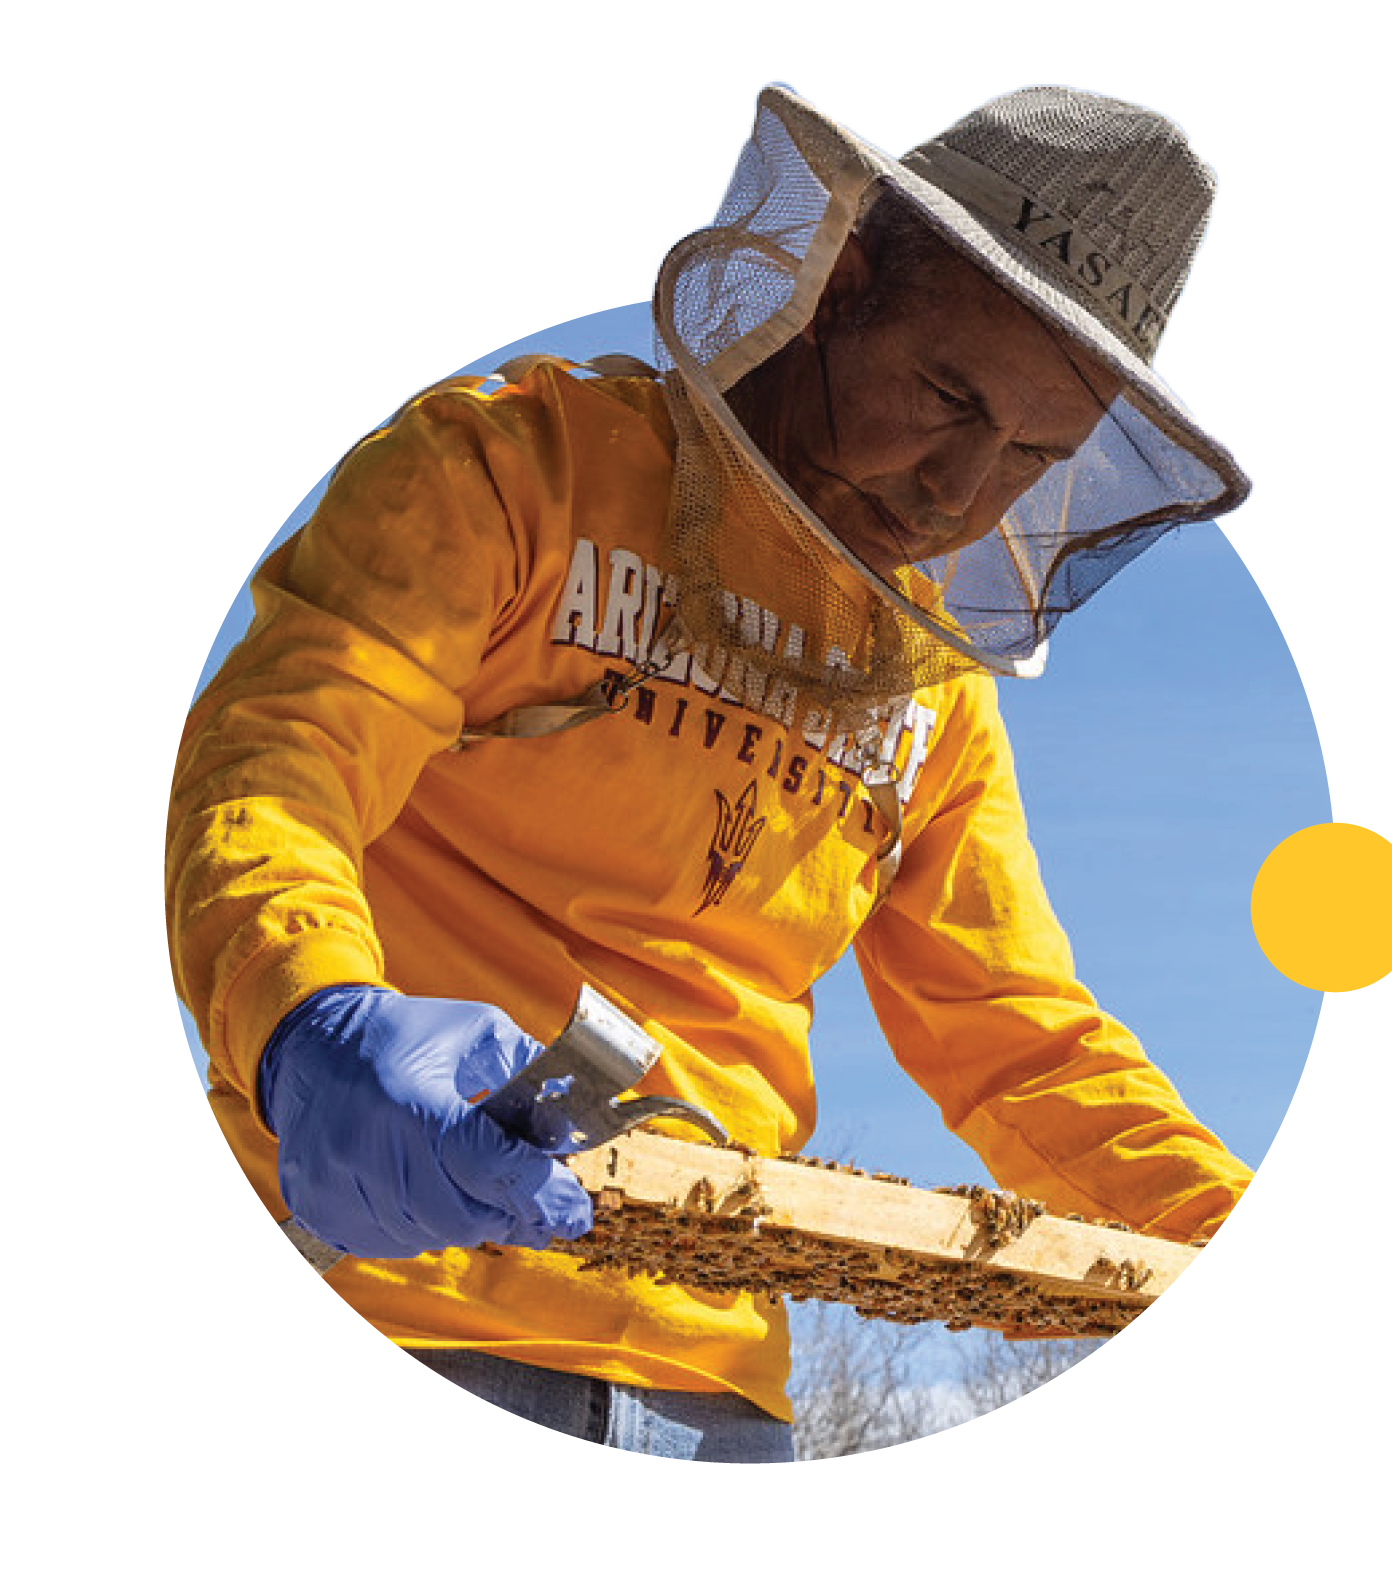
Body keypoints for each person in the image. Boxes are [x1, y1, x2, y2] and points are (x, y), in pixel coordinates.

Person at [165, 81, 1256, 1464]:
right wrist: (305, 1013)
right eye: (945, 395)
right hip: (381, 1297)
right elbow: (282, 759)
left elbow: (1016, 1029)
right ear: (842, 279)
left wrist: (1245, 1246)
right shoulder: (511, 469)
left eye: (1031, 455)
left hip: (716, 1394)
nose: (955, 489)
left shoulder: (932, 687)